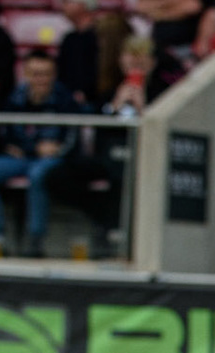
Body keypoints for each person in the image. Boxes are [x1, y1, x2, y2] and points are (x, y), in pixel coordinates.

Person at [48, 35, 168, 255]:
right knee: (57, 175)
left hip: (143, 161)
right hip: (107, 159)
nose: (135, 64)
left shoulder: (164, 95)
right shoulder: (108, 93)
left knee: (122, 178)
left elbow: (161, 132)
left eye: (141, 60)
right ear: (122, 61)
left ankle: (114, 234)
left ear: (152, 63)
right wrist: (114, 107)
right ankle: (104, 217)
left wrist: (144, 110)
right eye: (131, 59)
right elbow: (98, 131)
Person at [0, 49, 81, 257]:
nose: (41, 79)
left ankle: (35, 239)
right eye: (36, 74)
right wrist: (29, 148)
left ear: (54, 74)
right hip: (20, 157)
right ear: (26, 74)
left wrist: (55, 150)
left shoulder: (65, 100)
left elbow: (73, 139)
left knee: (39, 175)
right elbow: (5, 133)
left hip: (53, 160)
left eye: (46, 73)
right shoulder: (15, 98)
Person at [136, 0, 211, 66]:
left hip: (190, 48)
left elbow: (191, 6)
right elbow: (139, 5)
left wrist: (157, 13)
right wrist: (173, 2)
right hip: (159, 51)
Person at [56, 0, 102, 105]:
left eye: (68, 1)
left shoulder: (101, 37)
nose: (63, 6)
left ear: (83, 3)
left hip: (95, 101)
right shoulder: (68, 38)